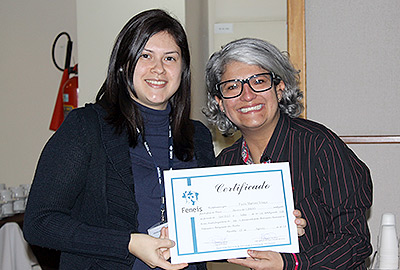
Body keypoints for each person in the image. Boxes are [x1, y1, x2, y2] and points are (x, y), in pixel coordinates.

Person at [23, 9, 215, 270]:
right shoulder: (86, 127)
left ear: (182, 70)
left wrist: (276, 226)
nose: (158, 69)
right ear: (124, 64)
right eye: (145, 56)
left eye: (170, 58)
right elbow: (40, 223)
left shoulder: (199, 136)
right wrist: (127, 243)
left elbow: (213, 224)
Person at [203, 38, 373, 269]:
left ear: (280, 89)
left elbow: (356, 241)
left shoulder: (318, 145)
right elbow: (224, 242)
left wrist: (292, 262)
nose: (247, 95)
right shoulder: (225, 164)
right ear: (220, 103)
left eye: (259, 81)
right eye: (232, 87)